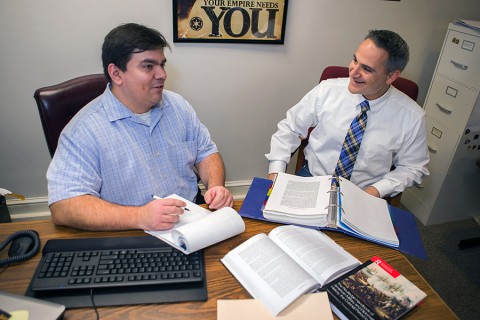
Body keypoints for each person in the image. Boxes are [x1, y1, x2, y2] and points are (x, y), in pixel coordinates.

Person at [47, 23, 233, 231]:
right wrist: (139, 216)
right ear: (116, 74)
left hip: (191, 219)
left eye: (162, 64)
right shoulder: (83, 131)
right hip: (129, 231)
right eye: (148, 66)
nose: (162, 74)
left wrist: (216, 186)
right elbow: (64, 206)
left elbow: (206, 153)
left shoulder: (178, 106)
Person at [266, 30, 429, 198]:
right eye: (355, 60)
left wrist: (376, 191)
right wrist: (276, 174)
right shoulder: (327, 90)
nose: (353, 71)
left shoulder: (413, 117)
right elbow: (290, 129)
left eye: (366, 68)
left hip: (364, 193)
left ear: (391, 76)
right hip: (313, 180)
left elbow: (413, 167)